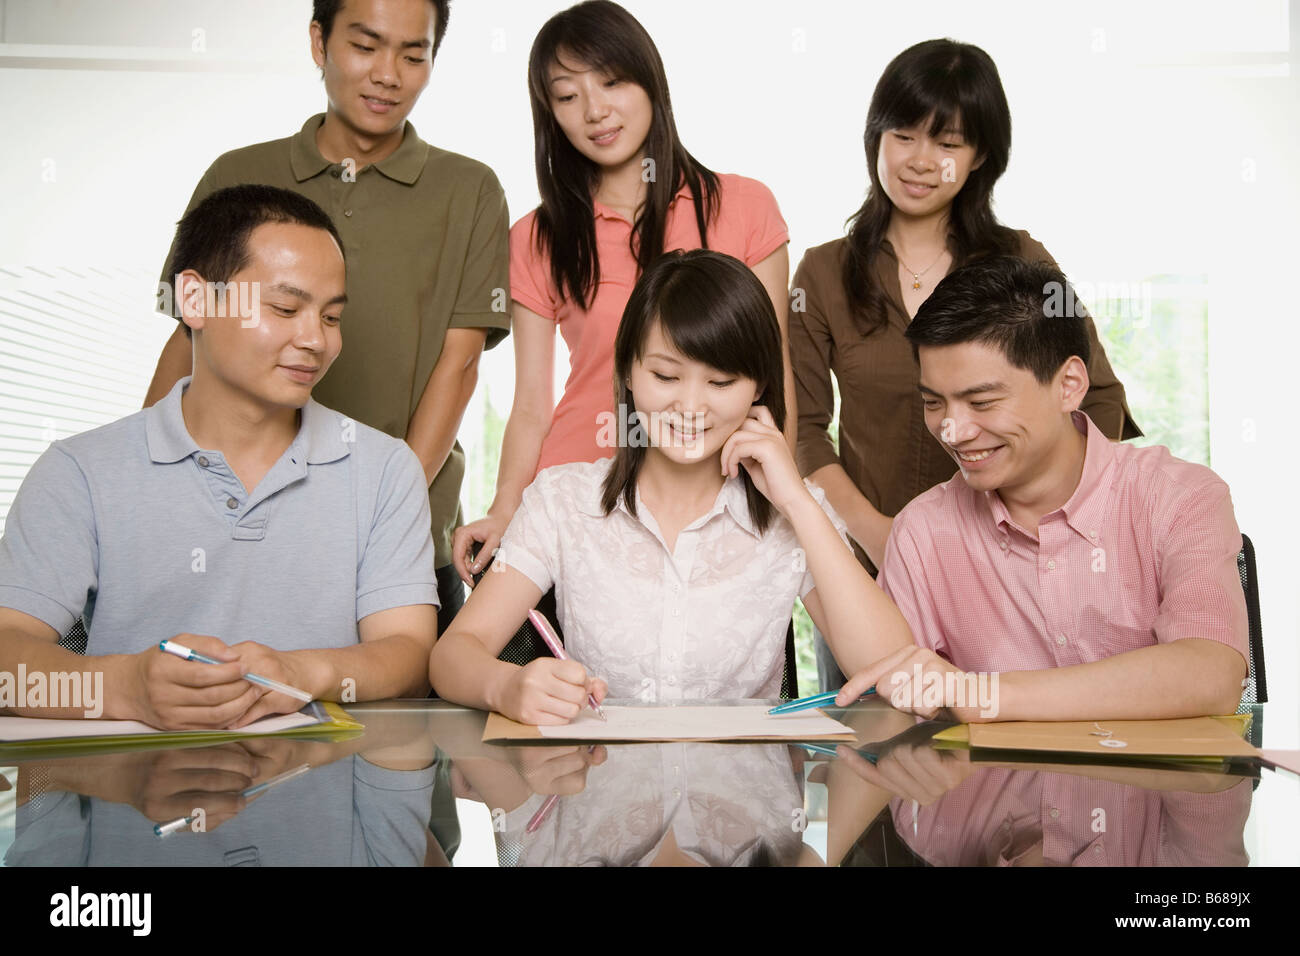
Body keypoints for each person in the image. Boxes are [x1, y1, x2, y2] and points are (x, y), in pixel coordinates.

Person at [0, 185, 439, 730]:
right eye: (285, 307)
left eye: (330, 318)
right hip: (134, 804)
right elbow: (6, 661)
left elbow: (411, 657)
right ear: (195, 300)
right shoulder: (80, 472)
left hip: (328, 797)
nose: (316, 341)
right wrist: (128, 688)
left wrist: (301, 671)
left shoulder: (383, 469)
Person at [143, 0, 508, 634]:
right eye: (365, 46)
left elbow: (461, 362)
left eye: (413, 55)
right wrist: (144, 476)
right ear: (320, 42)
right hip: (231, 524)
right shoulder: (237, 174)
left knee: (402, 720)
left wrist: (383, 506)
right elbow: (187, 340)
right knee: (210, 704)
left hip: (401, 530)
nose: (388, 74)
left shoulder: (470, 190)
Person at [788, 39, 1139, 691]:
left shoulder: (1023, 258)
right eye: (903, 135)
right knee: (884, 756)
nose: (920, 161)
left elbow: (1098, 398)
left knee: (1019, 758)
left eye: (947, 143)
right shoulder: (823, 271)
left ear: (980, 156)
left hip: (1010, 571)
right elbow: (803, 429)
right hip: (869, 571)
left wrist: (1045, 521)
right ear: (876, 138)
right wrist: (876, 532)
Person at [430, 250, 912, 724]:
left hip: (744, 796)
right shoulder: (562, 501)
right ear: (628, 371)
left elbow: (894, 669)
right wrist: (506, 686)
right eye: (665, 375)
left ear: (759, 387)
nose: (690, 406)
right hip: (598, 788)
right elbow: (452, 657)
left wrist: (797, 502)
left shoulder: (795, 512)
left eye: (721, 382)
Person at [453, 0, 793, 585]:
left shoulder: (743, 207)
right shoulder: (537, 237)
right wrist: (508, 507)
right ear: (549, 113)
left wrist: (779, 495)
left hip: (717, 499)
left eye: (611, 82)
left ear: (650, 81)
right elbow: (532, 402)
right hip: (581, 501)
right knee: (562, 676)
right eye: (566, 95)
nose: (595, 110)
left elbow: (775, 372)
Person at [832, 256, 1248, 722]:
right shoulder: (923, 530)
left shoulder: (1179, 497)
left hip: (1154, 794)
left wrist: (982, 695)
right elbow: (891, 697)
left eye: (981, 401)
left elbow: (1213, 676)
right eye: (933, 403)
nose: (952, 430)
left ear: (1069, 384)